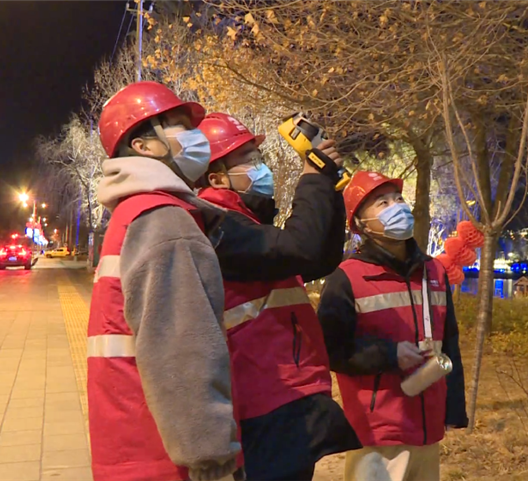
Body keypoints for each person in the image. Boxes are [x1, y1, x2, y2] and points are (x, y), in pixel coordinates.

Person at [195, 112, 361, 481]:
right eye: (250, 160)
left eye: (260, 158)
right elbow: (300, 247)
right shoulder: (217, 223)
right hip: (262, 398)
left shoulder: (246, 221)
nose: (262, 168)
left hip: (285, 393)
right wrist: (313, 177)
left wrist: (329, 184)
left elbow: (319, 257)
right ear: (216, 178)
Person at [88, 82, 241, 481]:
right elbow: (183, 351)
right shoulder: (164, 218)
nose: (196, 137)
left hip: (132, 449)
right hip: (170, 463)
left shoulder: (132, 212)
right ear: (143, 146)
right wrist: (212, 459)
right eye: (179, 125)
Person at [316, 171, 468, 481]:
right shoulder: (347, 277)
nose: (396, 207)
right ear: (361, 223)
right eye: (382, 203)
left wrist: (454, 409)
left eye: (398, 199)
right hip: (376, 433)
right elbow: (328, 350)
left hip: (428, 428)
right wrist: (388, 355)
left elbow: (449, 342)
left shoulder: (434, 272)